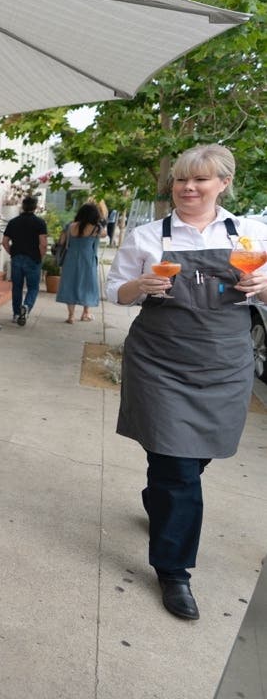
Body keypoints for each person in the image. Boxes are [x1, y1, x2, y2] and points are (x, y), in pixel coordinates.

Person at [105, 144, 267, 622]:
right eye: (180, 180)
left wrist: (264, 289)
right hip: (161, 362)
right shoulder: (148, 236)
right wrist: (141, 287)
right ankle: (174, 570)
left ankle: (158, 500)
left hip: (224, 363)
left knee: (194, 458)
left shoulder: (252, 235)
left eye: (200, 180)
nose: (188, 188)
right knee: (175, 465)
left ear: (223, 184)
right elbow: (115, 290)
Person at [2, 195, 48, 326]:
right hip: (33, 258)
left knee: (17, 287)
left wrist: (12, 253)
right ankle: (26, 307)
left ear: (22, 206)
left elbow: (5, 242)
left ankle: (16, 314)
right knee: (33, 287)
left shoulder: (13, 222)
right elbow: (43, 243)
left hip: (16, 257)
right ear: (35, 207)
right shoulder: (40, 223)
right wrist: (41, 256)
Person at [56, 203, 102, 323]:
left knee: (70, 284)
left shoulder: (70, 226)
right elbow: (99, 242)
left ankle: (71, 316)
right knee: (88, 284)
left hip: (70, 258)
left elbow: (61, 242)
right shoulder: (96, 228)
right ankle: (85, 313)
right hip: (87, 259)